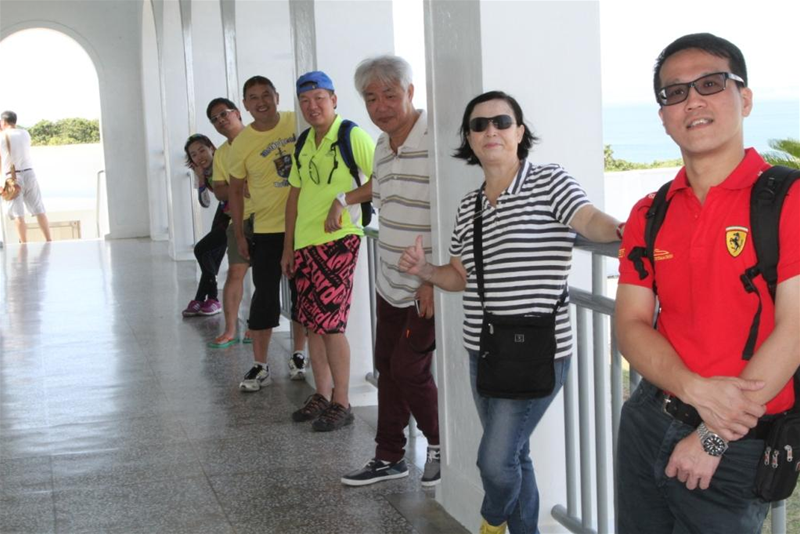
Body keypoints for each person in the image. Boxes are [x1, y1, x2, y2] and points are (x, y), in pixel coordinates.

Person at [399, 91, 622, 534]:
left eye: (502, 122)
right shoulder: (470, 206)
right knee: (516, 455)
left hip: (540, 350)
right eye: (479, 125)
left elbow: (588, 220)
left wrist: (623, 230)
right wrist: (425, 271)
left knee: (495, 460)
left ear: (520, 132)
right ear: (469, 138)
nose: (491, 131)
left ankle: (491, 520)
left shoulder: (549, 182)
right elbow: (459, 276)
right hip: (484, 350)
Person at [615, 33, 799, 534]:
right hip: (648, 419)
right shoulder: (650, 212)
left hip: (737, 445)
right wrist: (692, 388)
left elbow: (795, 330)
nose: (692, 100)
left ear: (745, 98)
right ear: (663, 116)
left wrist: (713, 436)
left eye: (711, 84)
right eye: (675, 92)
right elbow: (630, 325)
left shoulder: (788, 198)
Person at [340, 56, 440, 487]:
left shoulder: (436, 140)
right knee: (387, 368)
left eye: (390, 95)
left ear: (410, 92)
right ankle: (388, 456)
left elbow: (451, 213)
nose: (380, 106)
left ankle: (441, 443)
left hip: (424, 286)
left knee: (408, 367)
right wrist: (343, 199)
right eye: (371, 98)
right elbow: (381, 194)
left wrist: (433, 279)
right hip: (389, 282)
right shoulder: (382, 144)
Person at [281, 71, 375, 431]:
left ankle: (342, 401)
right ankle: (321, 394)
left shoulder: (352, 135)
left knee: (331, 325)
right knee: (312, 325)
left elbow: (382, 178)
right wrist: (288, 246)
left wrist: (343, 200)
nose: (312, 106)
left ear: (334, 99)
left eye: (319, 98)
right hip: (305, 244)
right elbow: (294, 196)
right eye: (305, 101)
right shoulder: (304, 141)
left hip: (338, 240)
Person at [227, 76, 306, 390]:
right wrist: (240, 234)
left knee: (302, 294)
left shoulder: (295, 122)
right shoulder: (242, 143)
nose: (261, 102)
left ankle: (299, 355)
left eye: (266, 95)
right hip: (266, 230)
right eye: (253, 97)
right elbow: (235, 191)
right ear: (245, 105)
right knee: (264, 298)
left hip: (304, 227)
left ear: (277, 96)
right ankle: (260, 365)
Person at [181, 133, 227, 317]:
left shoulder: (223, 163)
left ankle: (210, 298)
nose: (199, 156)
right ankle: (204, 299)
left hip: (236, 212)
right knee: (212, 255)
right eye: (193, 154)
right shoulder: (203, 172)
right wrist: (200, 179)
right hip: (223, 210)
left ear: (211, 149)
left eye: (202, 150)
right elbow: (205, 203)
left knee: (201, 249)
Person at [0, 111, 51, 243]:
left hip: (13, 178)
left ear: (3, 122)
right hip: (30, 174)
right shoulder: (25, 133)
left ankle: (24, 244)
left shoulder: (2, 136)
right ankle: (49, 240)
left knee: (18, 215)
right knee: (39, 210)